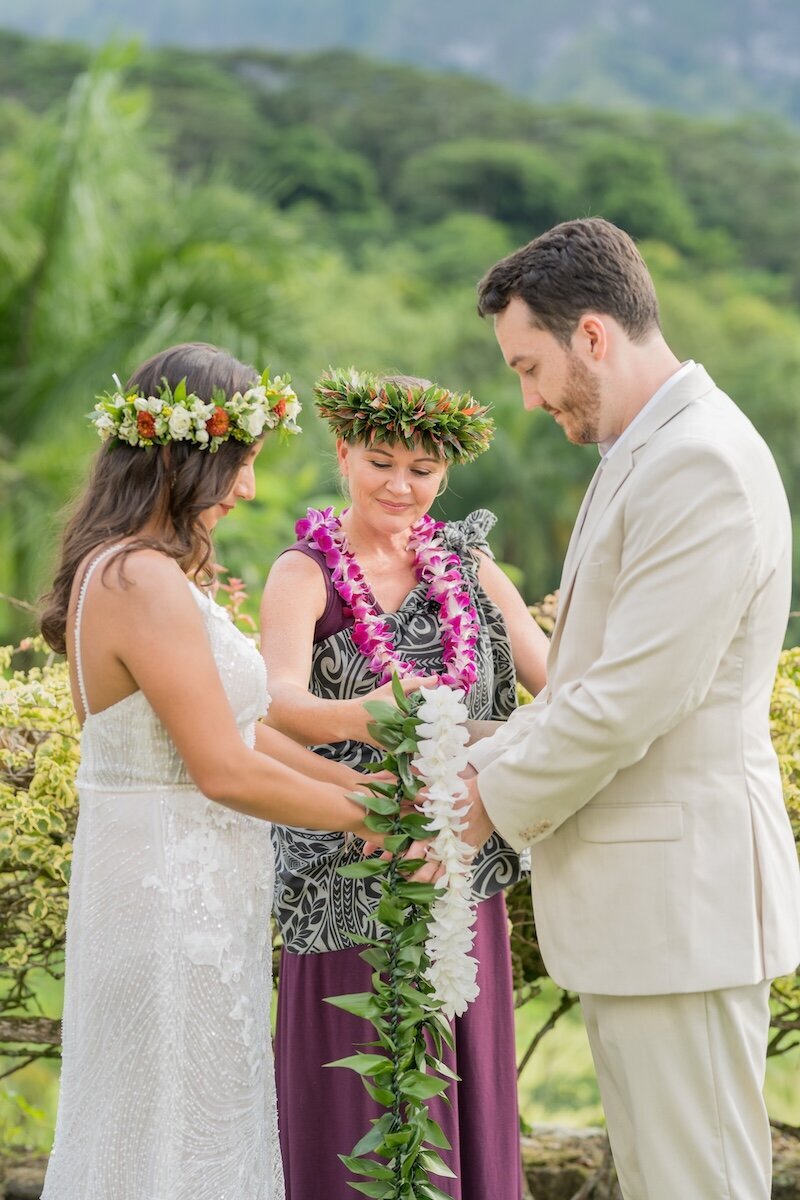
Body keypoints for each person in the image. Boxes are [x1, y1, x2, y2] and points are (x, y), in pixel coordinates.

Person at [458, 217, 800, 1200]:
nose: (526, 397)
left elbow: (622, 702)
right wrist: (453, 739)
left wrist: (476, 790)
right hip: (652, 912)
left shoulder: (697, 465)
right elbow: (588, 684)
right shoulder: (653, 452)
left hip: (679, 907)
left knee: (692, 1184)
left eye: (529, 366)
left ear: (594, 335)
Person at [38, 343, 377, 1200]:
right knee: (163, 1136)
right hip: (163, 896)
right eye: (241, 464)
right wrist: (371, 822)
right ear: (184, 454)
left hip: (197, 892)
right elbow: (223, 769)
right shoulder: (137, 579)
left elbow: (245, 730)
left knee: (201, 1125)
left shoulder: (144, 573)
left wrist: (366, 787)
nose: (248, 490)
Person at [259, 367, 550, 1200]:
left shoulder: (471, 567)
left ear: (445, 474)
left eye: (421, 470)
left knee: (464, 1092)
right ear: (344, 452)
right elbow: (275, 702)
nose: (400, 484)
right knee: (355, 1106)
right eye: (380, 460)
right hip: (346, 868)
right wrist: (372, 715)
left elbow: (559, 683)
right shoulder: (304, 570)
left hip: (459, 866)